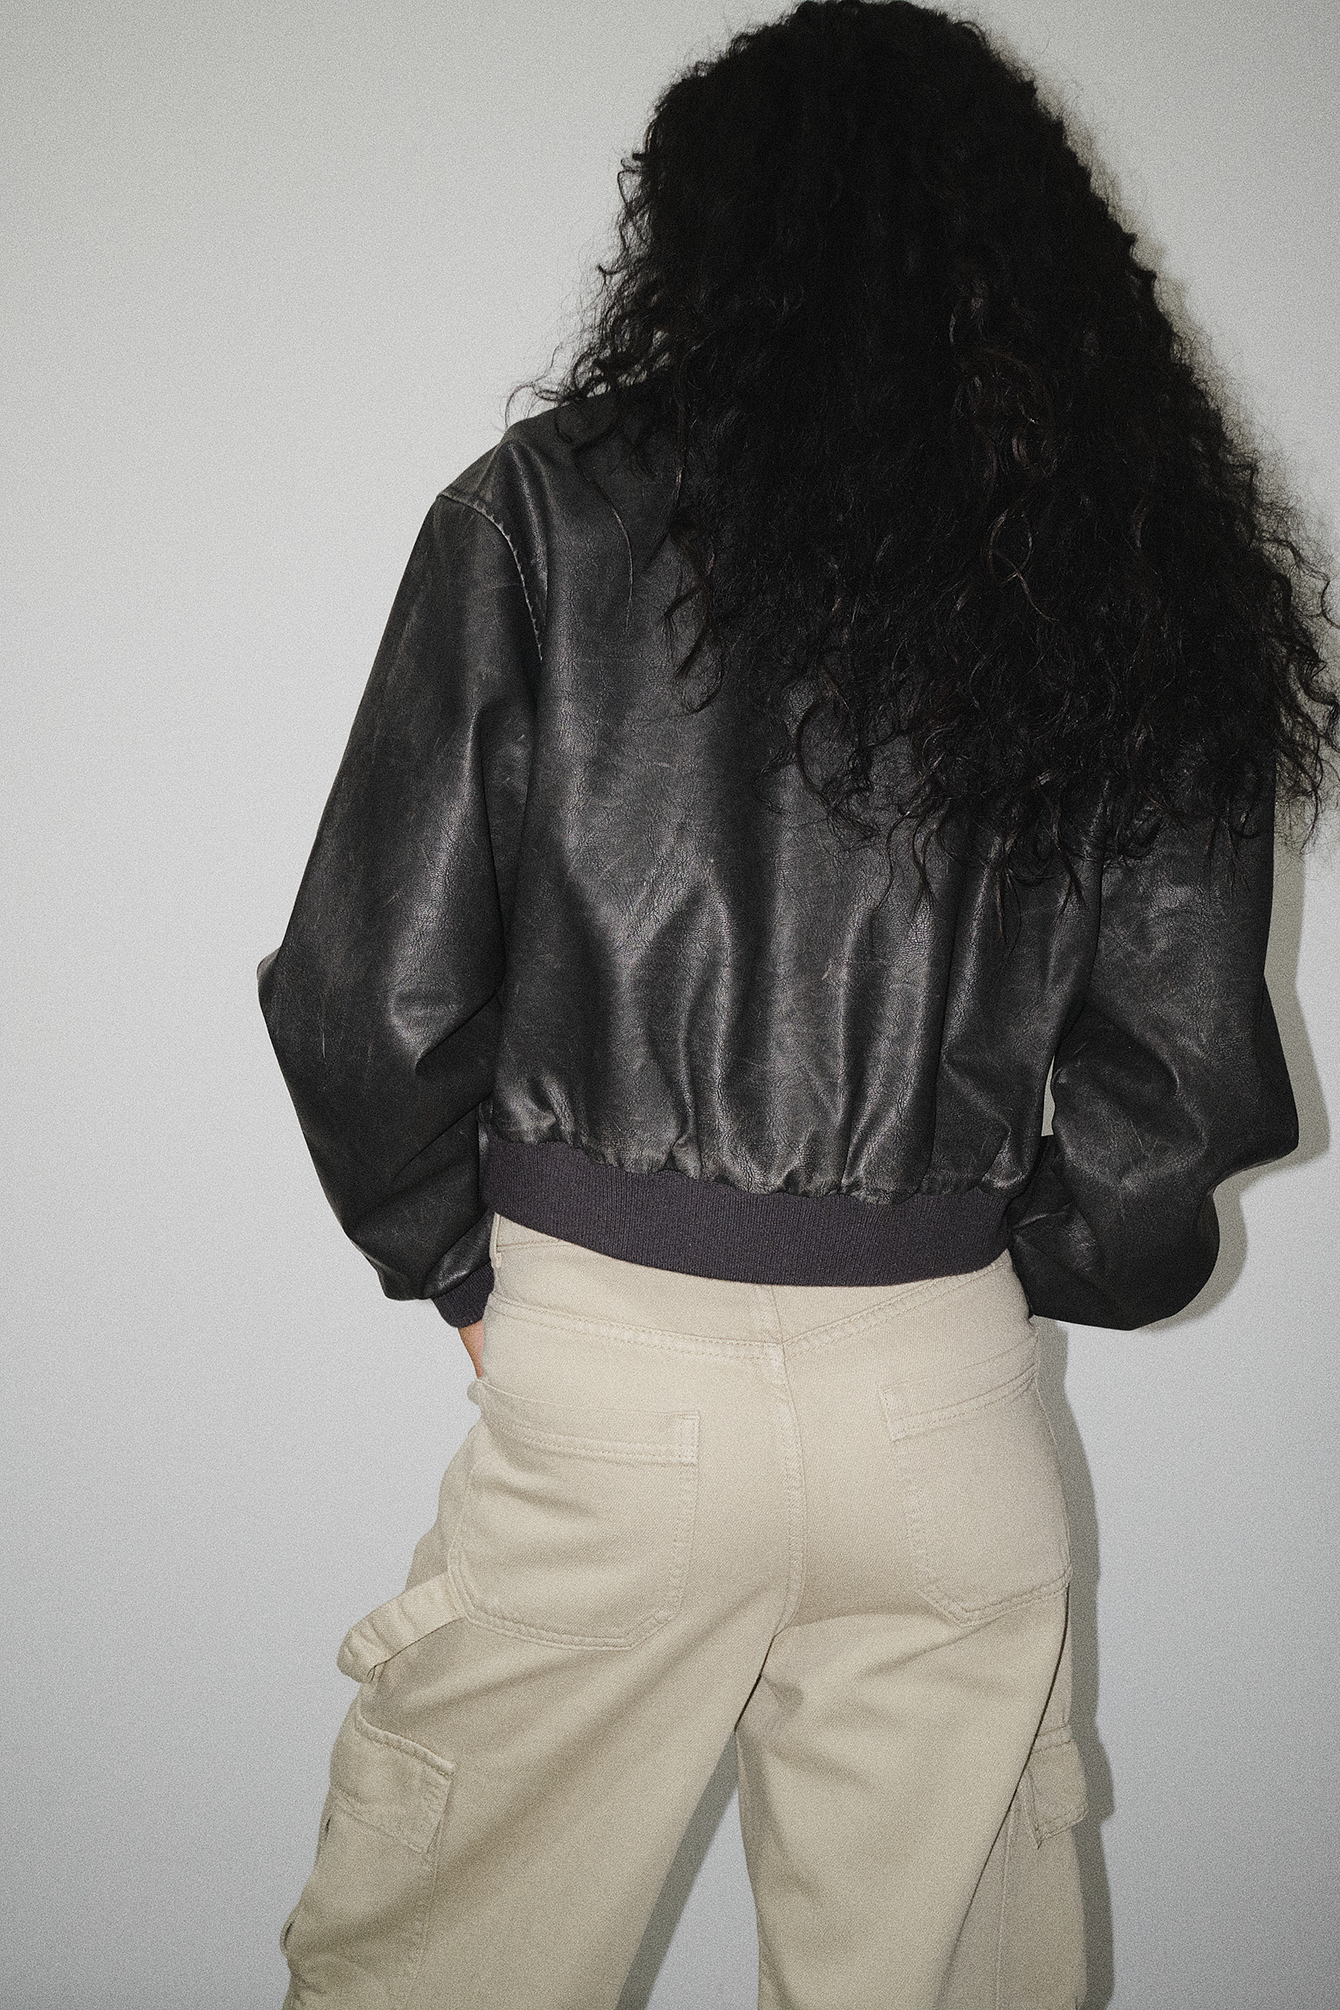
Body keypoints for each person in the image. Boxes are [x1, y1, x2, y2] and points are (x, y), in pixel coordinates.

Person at [258, 3, 1336, 2004]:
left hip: (610, 1380)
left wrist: (458, 1266)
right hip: (943, 1403)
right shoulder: (1115, 559)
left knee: (441, 1970)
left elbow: (361, 984)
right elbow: (1176, 1087)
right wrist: (979, 1284)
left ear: (706, 234)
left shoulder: (544, 510)